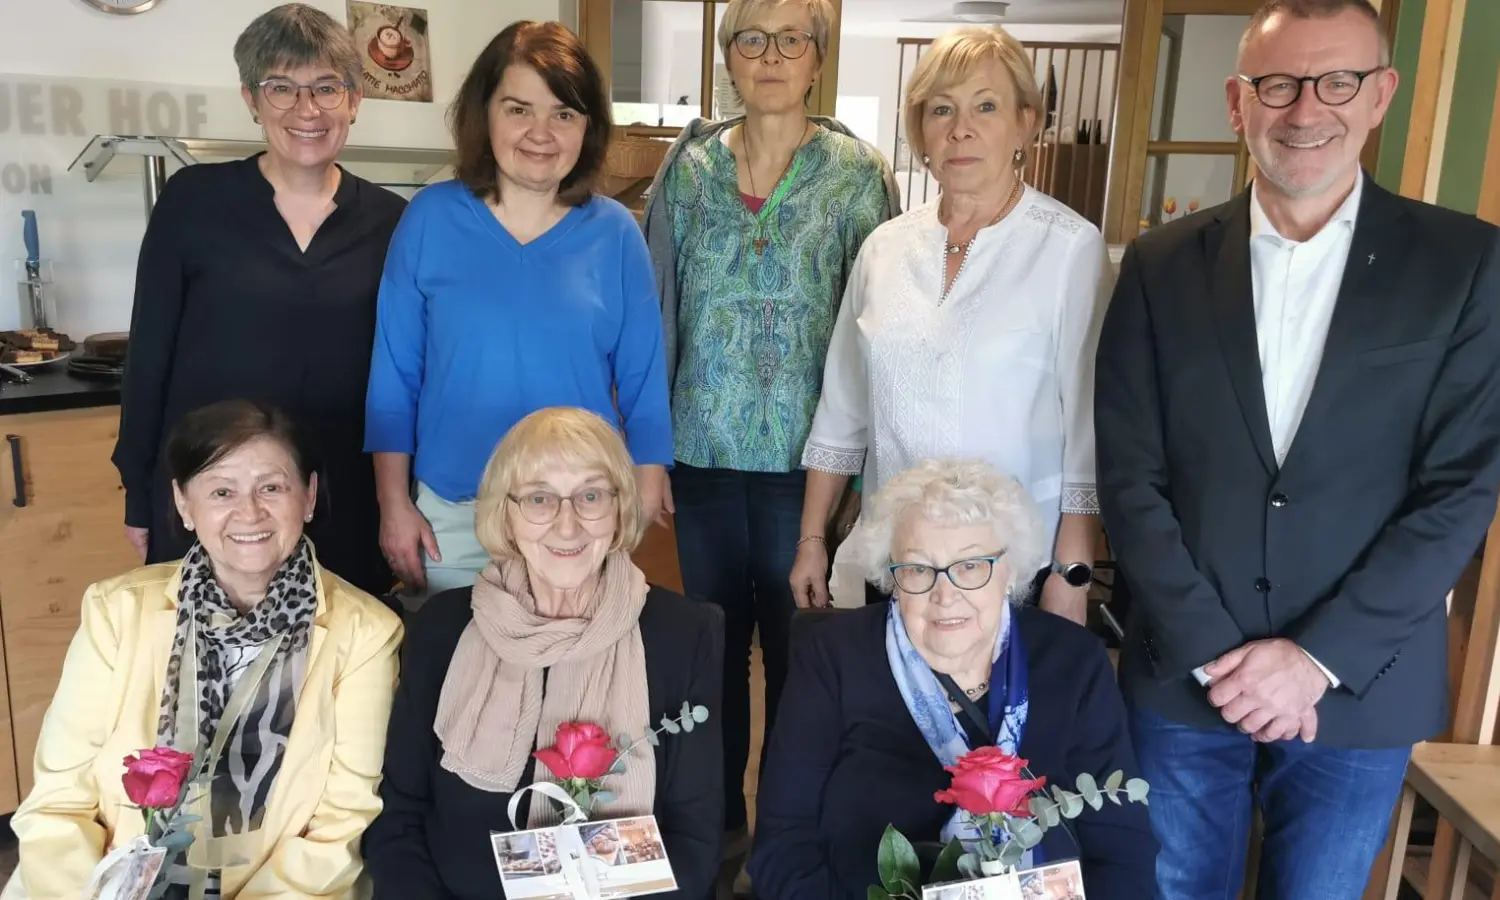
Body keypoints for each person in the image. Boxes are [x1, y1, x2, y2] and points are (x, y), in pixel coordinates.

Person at [1093, 1, 1500, 897]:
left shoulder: (1460, 262)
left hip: (1361, 684)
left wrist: (1312, 661)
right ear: (1237, 101)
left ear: (1380, 96)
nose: (1305, 109)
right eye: (1277, 83)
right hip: (1185, 675)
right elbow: (1130, 478)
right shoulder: (1160, 265)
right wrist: (1217, 648)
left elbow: (1460, 491)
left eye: (1338, 81)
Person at [640, 0, 898, 861]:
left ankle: (792, 839)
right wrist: (647, 448)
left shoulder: (858, 174)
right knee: (709, 652)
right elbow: (658, 310)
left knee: (801, 657)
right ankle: (711, 837)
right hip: (702, 449)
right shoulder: (686, 169)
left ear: (818, 60)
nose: (772, 54)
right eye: (752, 38)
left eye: (793, 39)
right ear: (729, 58)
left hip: (811, 463)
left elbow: (877, 323)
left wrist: (862, 474)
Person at [6, 399, 402, 898]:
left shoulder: (366, 634)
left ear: (309, 496)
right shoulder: (116, 611)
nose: (249, 512)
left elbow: (339, 826)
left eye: (272, 487)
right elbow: (60, 800)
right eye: (221, 490)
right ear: (183, 504)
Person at [790, 25, 1107, 623]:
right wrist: (812, 540)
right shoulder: (884, 248)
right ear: (921, 133)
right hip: (897, 560)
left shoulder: (1069, 248)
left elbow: (1087, 430)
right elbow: (843, 411)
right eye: (942, 109)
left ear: (1025, 122)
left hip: (1013, 570)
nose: (961, 128)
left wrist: (1073, 571)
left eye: (985, 106)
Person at [749, 459, 1157, 899]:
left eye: (971, 566)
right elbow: (783, 845)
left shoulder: (1074, 662)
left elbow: (1122, 851)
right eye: (918, 568)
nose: (946, 595)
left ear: (1010, 571)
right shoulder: (834, 658)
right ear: (892, 576)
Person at [362, 407, 723, 900]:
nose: (567, 525)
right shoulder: (442, 629)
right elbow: (398, 818)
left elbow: (694, 844)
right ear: (505, 513)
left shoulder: (683, 634)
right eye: (538, 499)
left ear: (620, 508)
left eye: (591, 496)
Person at [365, 21, 672, 601]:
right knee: (457, 685)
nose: (541, 133)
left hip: (576, 517)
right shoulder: (429, 219)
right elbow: (393, 379)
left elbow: (644, 380)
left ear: (588, 127)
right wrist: (393, 503)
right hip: (452, 514)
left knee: (576, 685)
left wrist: (647, 483)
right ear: (485, 114)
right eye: (518, 109)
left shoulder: (615, 234)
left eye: (564, 113)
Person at [113, 4, 406, 599]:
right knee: (208, 673)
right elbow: (148, 360)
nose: (308, 108)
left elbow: (405, 375)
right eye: (282, 88)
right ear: (251, 99)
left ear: (354, 101)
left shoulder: (394, 222)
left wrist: (397, 501)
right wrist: (141, 494)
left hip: (343, 501)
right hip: (216, 502)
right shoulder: (192, 202)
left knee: (340, 672)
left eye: (327, 87)